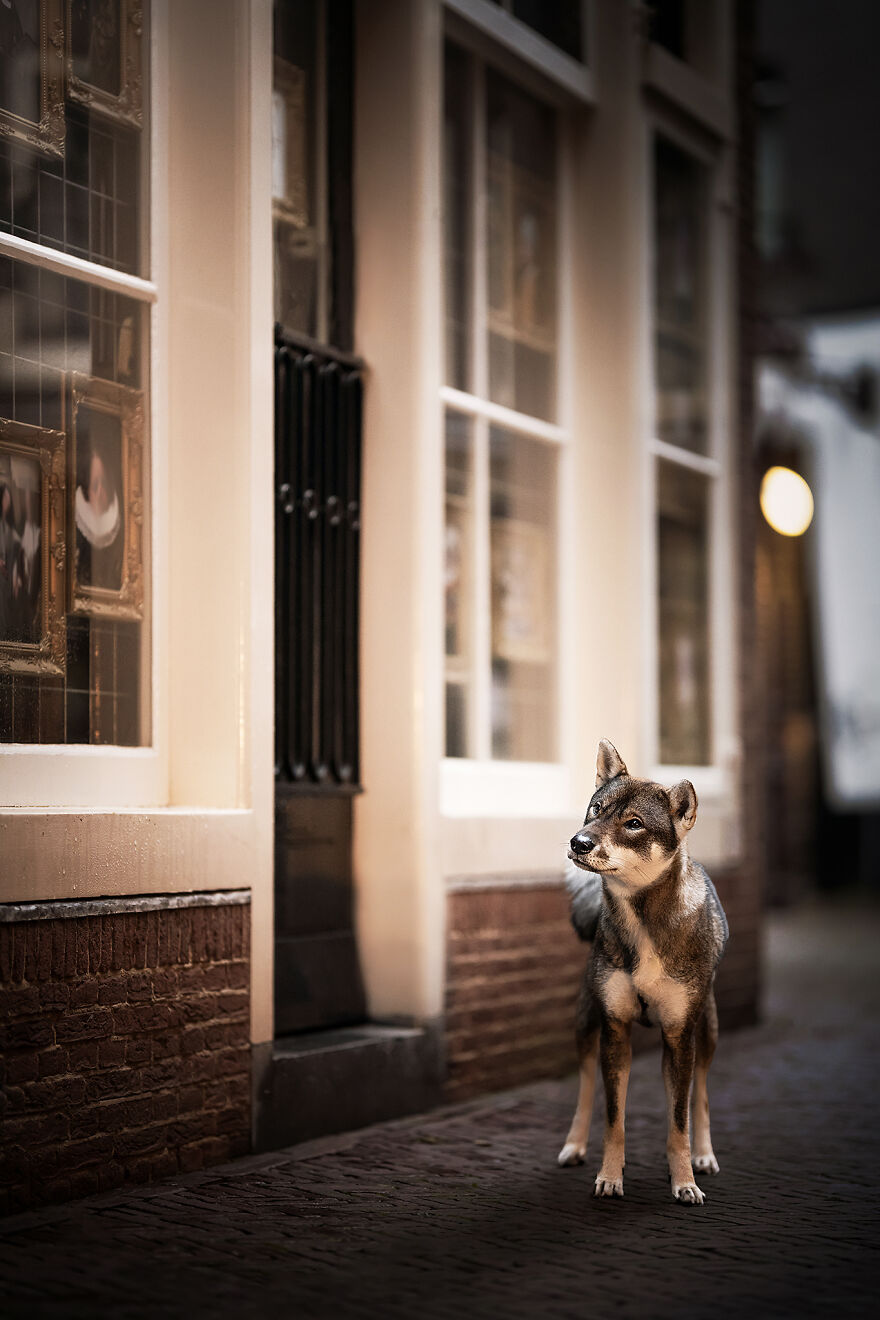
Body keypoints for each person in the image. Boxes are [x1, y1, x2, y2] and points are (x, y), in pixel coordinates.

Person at [75, 446, 123, 591]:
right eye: (95, 485)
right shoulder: (77, 532)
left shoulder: (121, 529)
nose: (101, 491)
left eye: (104, 483)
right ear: (87, 490)